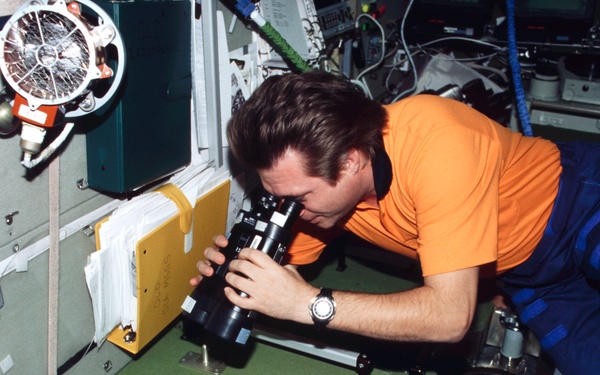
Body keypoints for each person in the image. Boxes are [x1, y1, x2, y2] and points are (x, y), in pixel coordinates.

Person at [190, 71, 600, 375]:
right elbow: (282, 277)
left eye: (297, 198)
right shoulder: (321, 203)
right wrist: (232, 281)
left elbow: (449, 316)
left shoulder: (438, 143)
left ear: (350, 160)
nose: (289, 210)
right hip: (528, 275)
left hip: (581, 203)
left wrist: (303, 302)